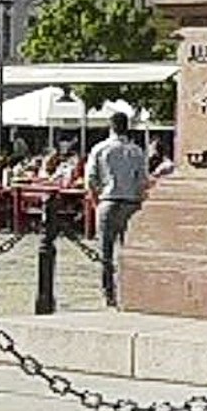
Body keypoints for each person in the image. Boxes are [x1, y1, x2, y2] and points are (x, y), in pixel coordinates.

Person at [83, 112, 150, 307]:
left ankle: (108, 293)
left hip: (108, 200)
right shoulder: (136, 151)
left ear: (110, 127)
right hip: (131, 204)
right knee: (128, 251)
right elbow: (143, 181)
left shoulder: (100, 149)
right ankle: (128, 290)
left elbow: (90, 180)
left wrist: (97, 203)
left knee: (106, 252)